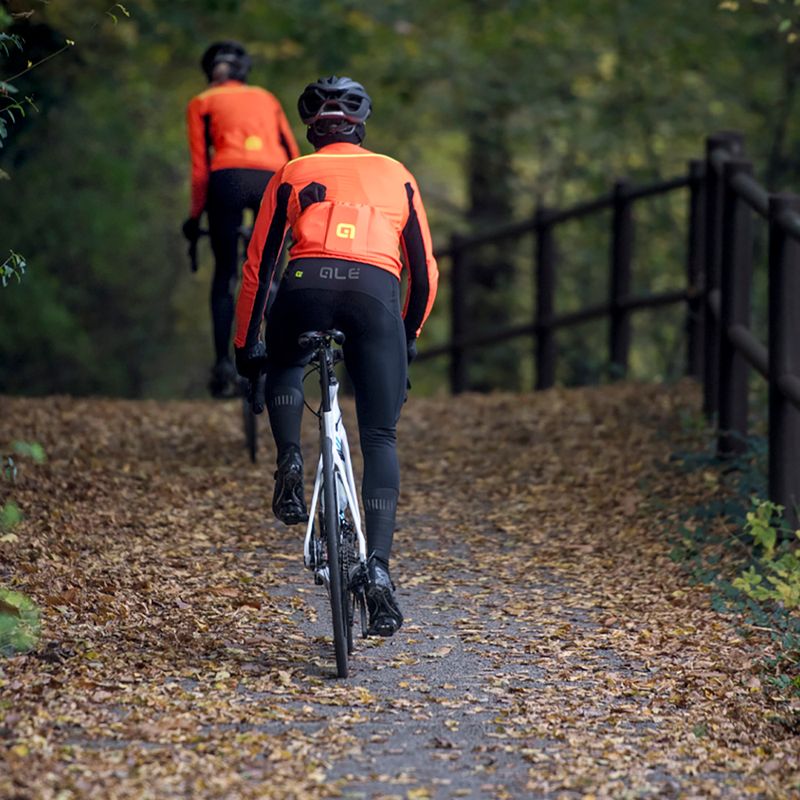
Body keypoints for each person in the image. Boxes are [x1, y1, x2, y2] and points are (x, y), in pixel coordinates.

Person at [233, 76, 438, 637]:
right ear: (362, 125)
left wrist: (245, 347)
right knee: (380, 437)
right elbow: (424, 271)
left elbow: (259, 268)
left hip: (304, 287)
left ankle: (289, 461)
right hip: (375, 298)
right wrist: (409, 332)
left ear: (310, 130)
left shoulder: (293, 172)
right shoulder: (396, 173)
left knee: (284, 364)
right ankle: (377, 569)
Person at [183, 40, 300, 397]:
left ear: (210, 74)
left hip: (227, 179)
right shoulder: (267, 98)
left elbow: (201, 167)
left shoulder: (201, 102)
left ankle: (223, 364)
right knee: (271, 271)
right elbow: (293, 154)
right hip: (272, 177)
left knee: (226, 274)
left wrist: (194, 216)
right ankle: (281, 356)